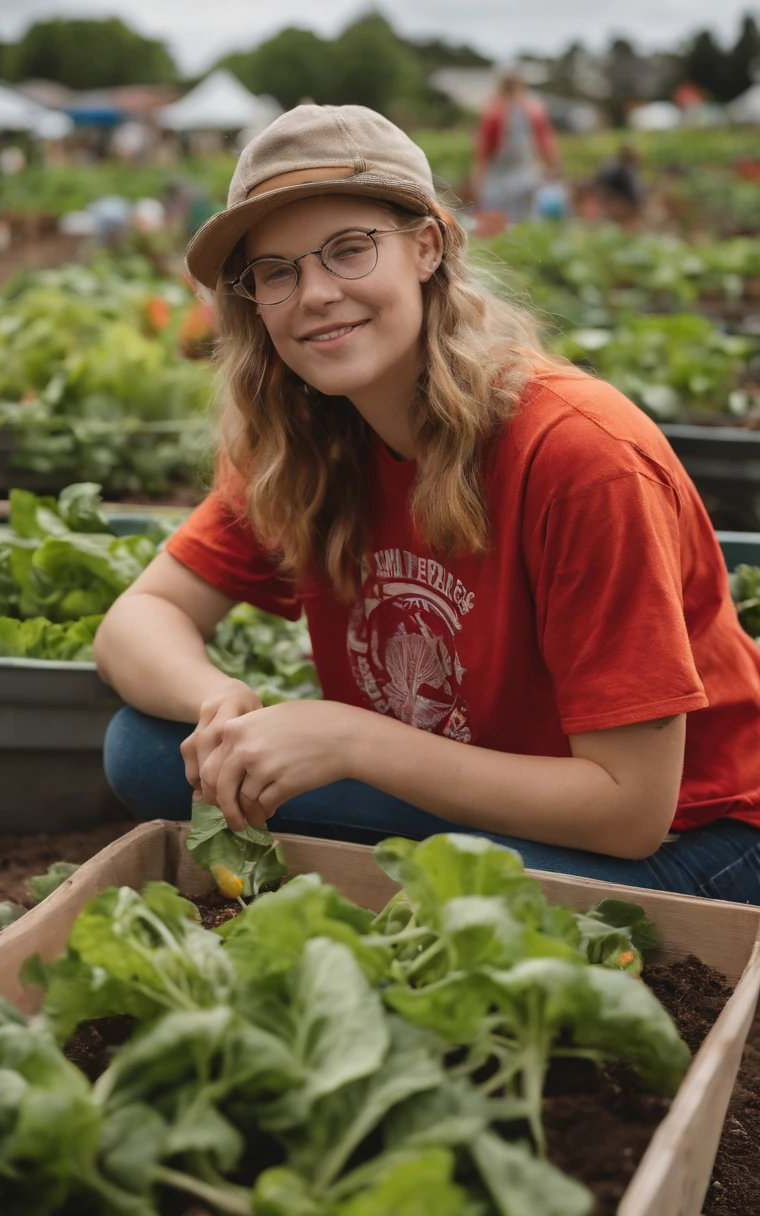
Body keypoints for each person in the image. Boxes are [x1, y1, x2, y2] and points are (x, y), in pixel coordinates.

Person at [95, 103, 760, 903]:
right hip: (480, 799)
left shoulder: (581, 456)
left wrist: (351, 741)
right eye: (276, 271)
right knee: (149, 745)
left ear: (427, 246)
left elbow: (629, 810)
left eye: (347, 251)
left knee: (440, 901)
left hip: (695, 839)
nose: (313, 294)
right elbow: (138, 622)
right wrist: (220, 701)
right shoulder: (305, 436)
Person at [472, 69, 559, 225]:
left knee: (500, 224)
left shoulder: (494, 111)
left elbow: (483, 151)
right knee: (524, 223)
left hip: (507, 176)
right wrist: (554, 166)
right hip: (519, 174)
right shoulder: (531, 109)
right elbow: (547, 145)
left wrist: (479, 179)